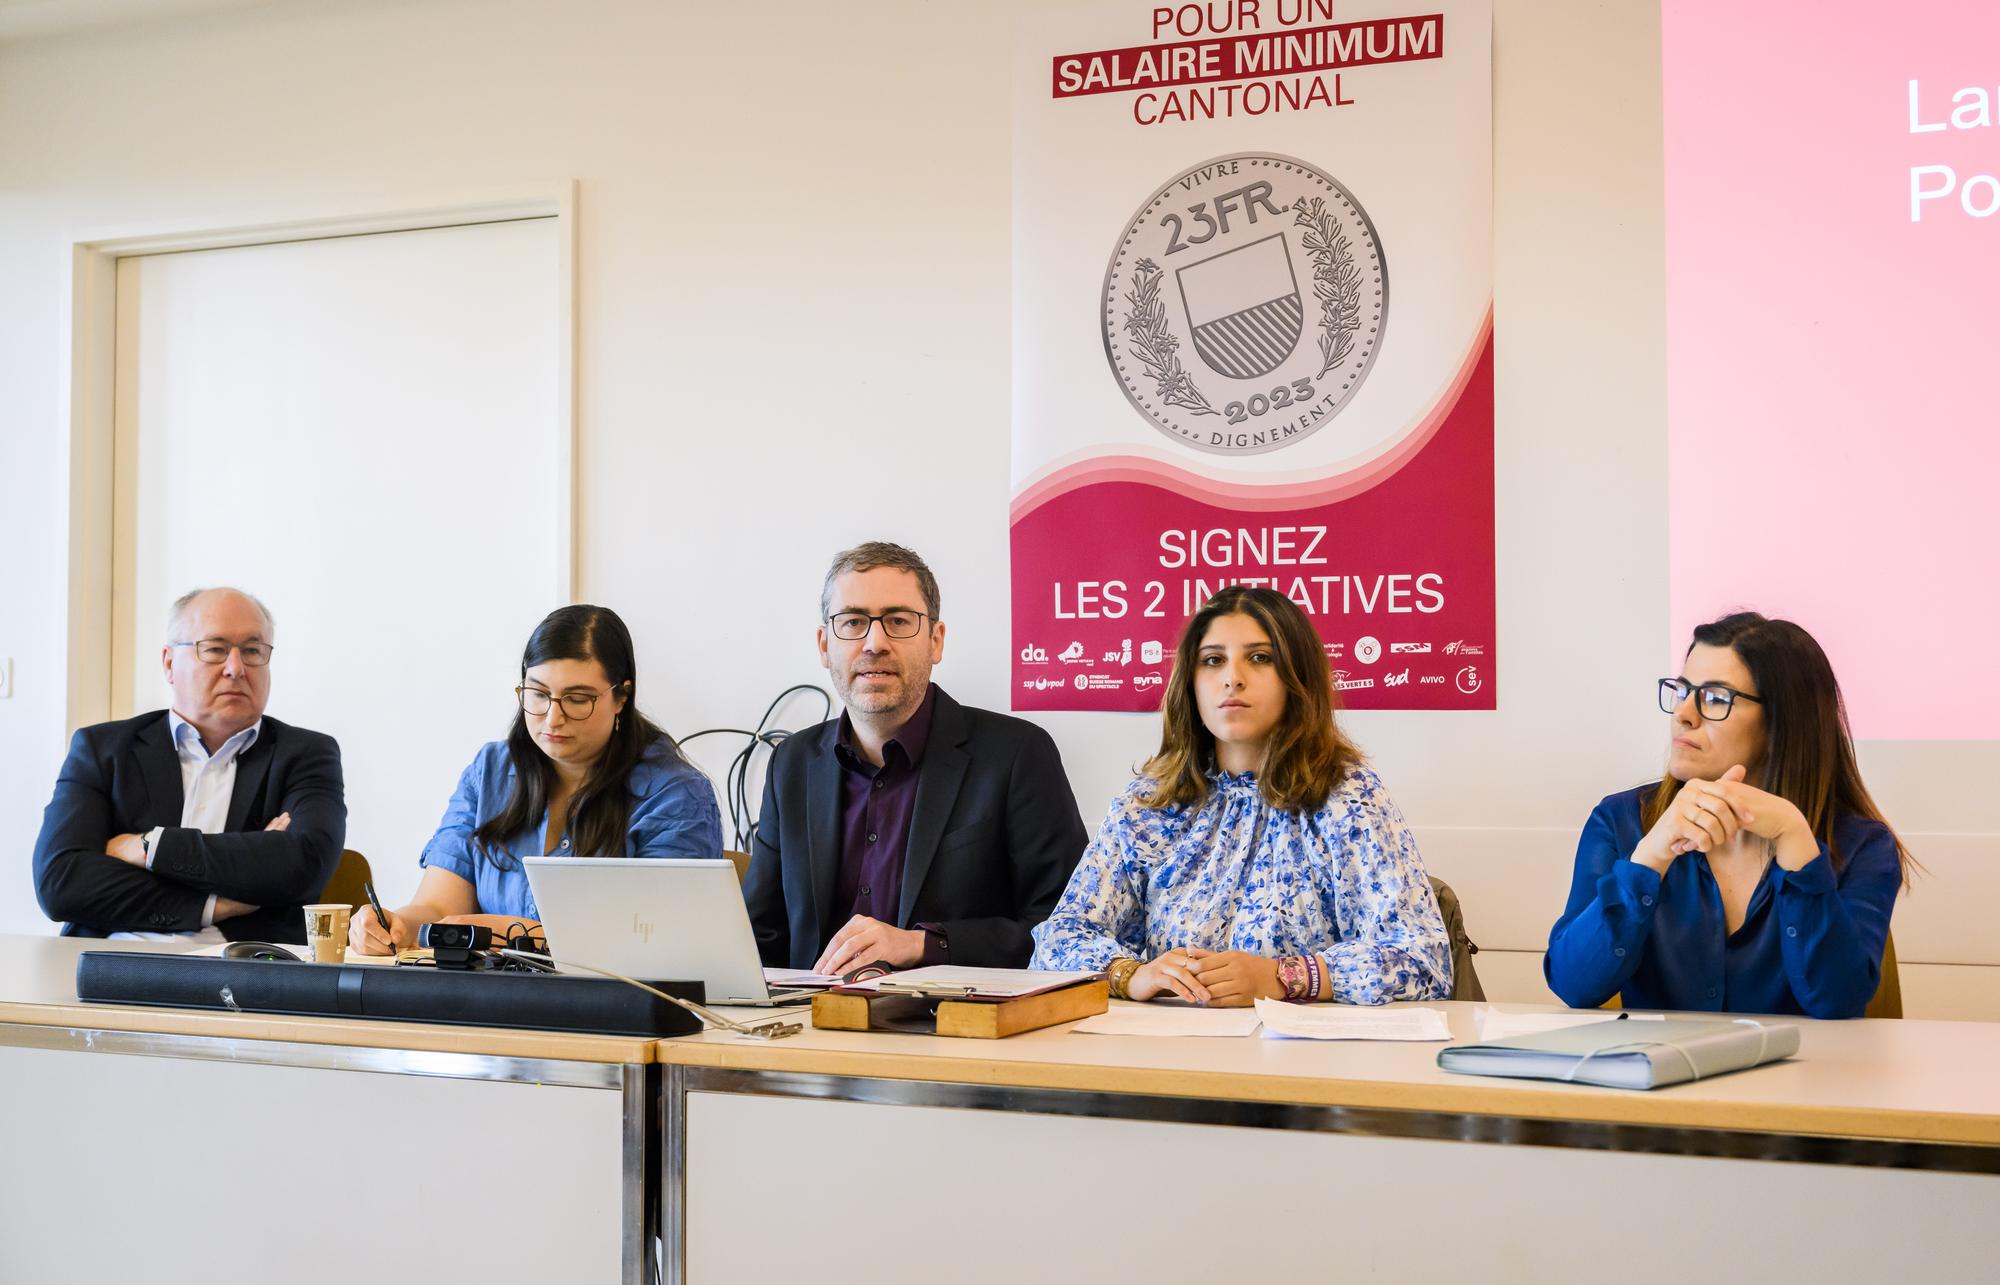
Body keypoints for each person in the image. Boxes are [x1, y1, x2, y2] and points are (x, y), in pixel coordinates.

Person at [1030, 586, 1451, 1006]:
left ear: (1296, 676)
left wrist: (1283, 976)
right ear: (1190, 683)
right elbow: (1058, 939)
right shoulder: (1149, 803)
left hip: (1305, 1059)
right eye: (1213, 660)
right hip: (1169, 1053)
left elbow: (1422, 961)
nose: (1232, 677)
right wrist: (1132, 975)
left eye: (1260, 658)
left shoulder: (1347, 798)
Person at [1544, 612, 1912, 1018]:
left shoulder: (1864, 846)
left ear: (1782, 724)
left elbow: (1836, 1001)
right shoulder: (1620, 821)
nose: (1684, 713)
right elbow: (1573, 985)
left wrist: (1794, 839)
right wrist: (1650, 856)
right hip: (1661, 1077)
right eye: (1682, 690)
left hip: (1804, 1079)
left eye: (1715, 698)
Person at [743, 542, 1088, 973]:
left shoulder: (1017, 755)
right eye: (852, 622)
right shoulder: (791, 764)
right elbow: (761, 938)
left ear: (935, 641)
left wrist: (925, 945)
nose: (874, 643)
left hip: (954, 1028)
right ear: (824, 645)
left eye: (898, 621)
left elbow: (1066, 928)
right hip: (811, 1024)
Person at [351, 605, 721, 952]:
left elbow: (663, 939)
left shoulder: (675, 792)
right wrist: (396, 925)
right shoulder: (490, 770)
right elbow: (437, 906)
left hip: (619, 1010)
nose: (552, 718)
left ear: (621, 697)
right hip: (491, 1001)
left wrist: (517, 935)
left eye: (578, 699)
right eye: (538, 694)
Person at [33, 587, 346, 943]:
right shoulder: (104, 749)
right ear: (169, 663)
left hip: (245, 972)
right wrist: (215, 903)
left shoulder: (306, 755)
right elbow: (61, 883)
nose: (235, 668)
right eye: (214, 649)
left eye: (252, 651)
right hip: (110, 965)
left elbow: (302, 868)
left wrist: (149, 847)